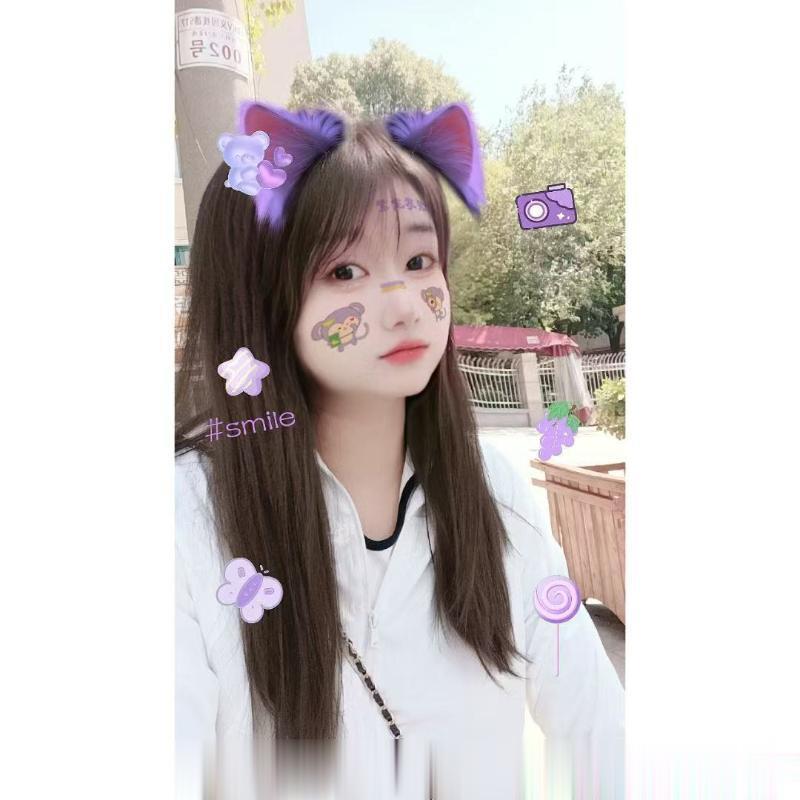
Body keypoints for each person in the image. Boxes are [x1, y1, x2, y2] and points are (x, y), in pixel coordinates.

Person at [175, 100, 624, 800]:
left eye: (419, 261)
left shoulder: (494, 492)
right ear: (262, 296)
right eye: (345, 272)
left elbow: (599, 731)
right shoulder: (186, 522)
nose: (407, 303)